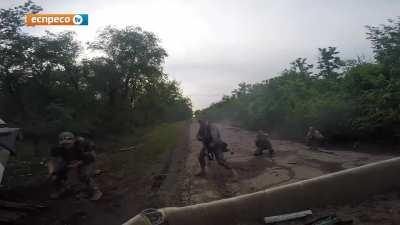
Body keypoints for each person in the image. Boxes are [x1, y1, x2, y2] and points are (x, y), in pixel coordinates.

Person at [47, 131, 102, 200]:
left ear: (73, 141)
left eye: (68, 144)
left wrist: (78, 163)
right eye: (64, 144)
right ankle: (65, 189)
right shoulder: (56, 148)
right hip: (71, 161)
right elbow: (51, 161)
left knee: (84, 174)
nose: (66, 146)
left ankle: (96, 191)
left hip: (86, 160)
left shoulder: (81, 145)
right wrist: (51, 171)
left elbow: (92, 157)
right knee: (58, 175)